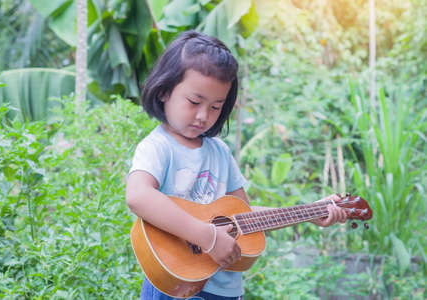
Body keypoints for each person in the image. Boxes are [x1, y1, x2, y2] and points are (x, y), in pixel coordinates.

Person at [125, 30, 347, 300]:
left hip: (225, 290)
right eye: (194, 102)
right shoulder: (158, 147)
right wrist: (208, 238)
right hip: (176, 284)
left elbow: (243, 216)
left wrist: (311, 212)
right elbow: (138, 195)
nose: (203, 115)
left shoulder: (219, 152)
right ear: (163, 92)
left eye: (216, 107)